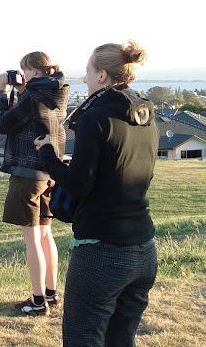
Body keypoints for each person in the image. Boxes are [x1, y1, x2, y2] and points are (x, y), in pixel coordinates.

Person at [34, 40, 159, 346]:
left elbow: (78, 184)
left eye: (88, 73)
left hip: (102, 251)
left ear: (102, 75)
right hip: (144, 248)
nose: (85, 79)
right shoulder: (148, 115)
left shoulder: (96, 117)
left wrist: (48, 155)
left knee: (83, 337)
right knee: (121, 338)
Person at [0, 52, 70, 316]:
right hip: (49, 170)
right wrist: (24, 91)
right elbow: (36, 117)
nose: (21, 75)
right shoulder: (58, 91)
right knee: (46, 235)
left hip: (27, 173)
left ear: (33, 71)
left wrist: (2, 93)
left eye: (23, 71)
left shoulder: (32, 95)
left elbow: (4, 125)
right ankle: (51, 293)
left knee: (32, 238)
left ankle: (38, 302)